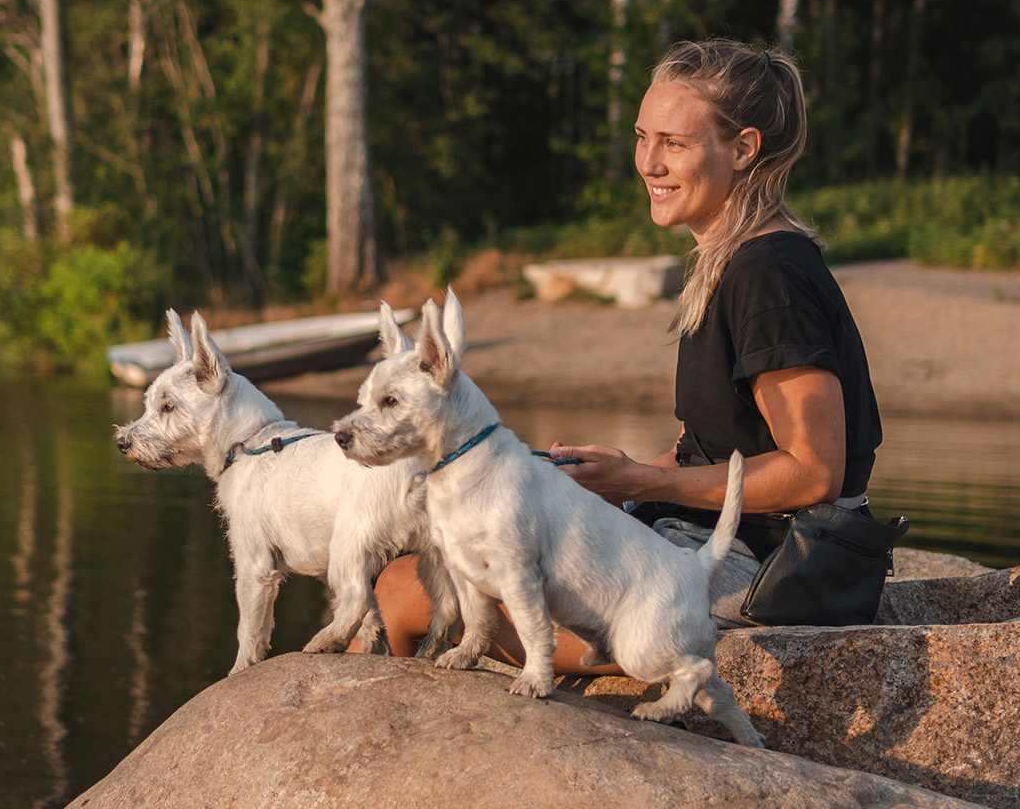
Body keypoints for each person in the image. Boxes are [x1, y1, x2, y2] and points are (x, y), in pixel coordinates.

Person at [368, 38, 882, 670]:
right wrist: (608, 477)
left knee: (412, 590)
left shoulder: (768, 275)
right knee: (449, 550)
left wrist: (643, 482)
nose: (649, 162)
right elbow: (718, 443)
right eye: (643, 137)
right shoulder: (730, 261)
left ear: (744, 149)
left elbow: (814, 473)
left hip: (763, 563)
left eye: (675, 143)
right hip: (710, 531)